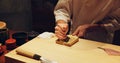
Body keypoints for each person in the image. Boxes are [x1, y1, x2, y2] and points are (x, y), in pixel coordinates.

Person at [54, 0, 120, 43]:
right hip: (74, 35)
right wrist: (61, 22)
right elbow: (62, 8)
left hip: (100, 41)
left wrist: (91, 28)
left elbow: (116, 20)